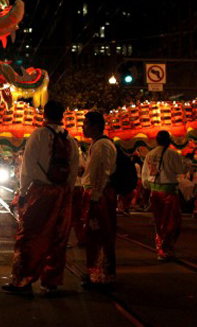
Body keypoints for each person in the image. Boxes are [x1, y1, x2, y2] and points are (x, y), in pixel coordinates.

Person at [2, 101, 79, 295]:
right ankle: (50, 281)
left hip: (40, 192)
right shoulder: (70, 138)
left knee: (30, 236)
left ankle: (23, 280)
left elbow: (27, 168)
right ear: (62, 115)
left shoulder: (37, 135)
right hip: (62, 192)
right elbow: (73, 171)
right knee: (58, 237)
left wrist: (23, 192)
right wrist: (66, 191)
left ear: (44, 114)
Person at [80, 111, 117, 288]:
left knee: (100, 234)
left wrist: (94, 196)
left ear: (95, 126)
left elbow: (102, 172)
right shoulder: (97, 144)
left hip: (99, 195)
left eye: (85, 124)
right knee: (94, 235)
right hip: (97, 193)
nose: (82, 127)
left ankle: (101, 275)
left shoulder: (102, 146)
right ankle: (95, 271)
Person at [141, 130, 189, 260]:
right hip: (168, 192)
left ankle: (161, 246)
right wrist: (187, 162)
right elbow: (180, 170)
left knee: (159, 221)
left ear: (157, 141)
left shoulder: (150, 154)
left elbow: (145, 174)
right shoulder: (172, 154)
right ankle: (165, 248)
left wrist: (147, 186)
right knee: (171, 222)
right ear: (169, 141)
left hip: (154, 191)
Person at [70, 142, 88, 245]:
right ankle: (81, 238)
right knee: (76, 215)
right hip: (77, 186)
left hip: (71, 187)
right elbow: (83, 169)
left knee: (71, 215)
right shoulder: (79, 155)